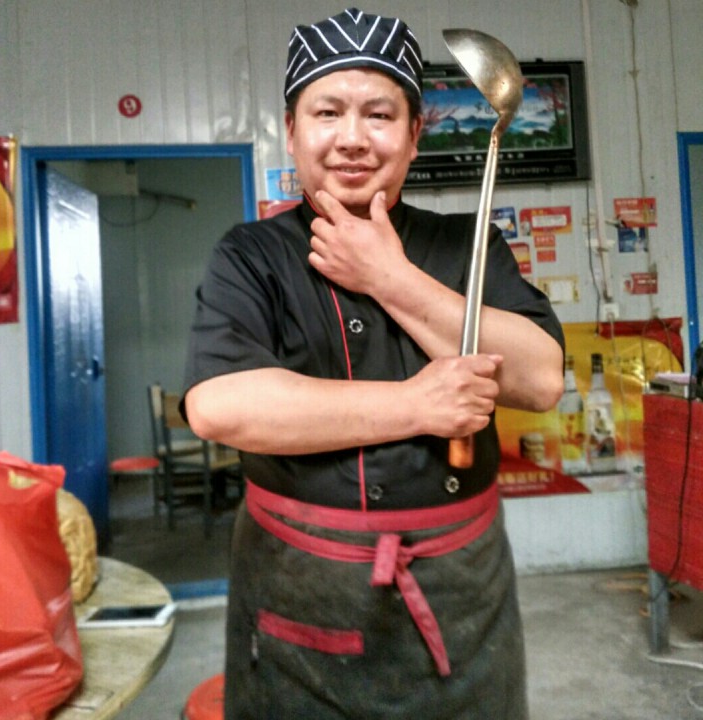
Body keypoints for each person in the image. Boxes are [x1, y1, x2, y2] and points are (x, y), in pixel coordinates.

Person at [182, 7, 564, 719]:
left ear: (415, 134)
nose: (353, 138)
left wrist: (390, 278)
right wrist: (416, 404)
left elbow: (540, 379)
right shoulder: (250, 256)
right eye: (327, 111)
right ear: (291, 130)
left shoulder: (467, 246)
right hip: (295, 592)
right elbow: (220, 406)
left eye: (380, 115)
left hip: (461, 593)